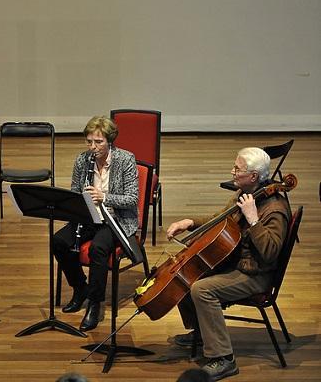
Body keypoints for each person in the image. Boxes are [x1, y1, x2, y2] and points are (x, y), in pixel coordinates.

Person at [167, 147, 291, 381]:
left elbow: (270, 253)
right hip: (238, 263)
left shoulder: (274, 209)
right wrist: (189, 222)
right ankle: (203, 332)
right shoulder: (244, 193)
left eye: (238, 169)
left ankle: (223, 359)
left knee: (202, 290)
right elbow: (219, 219)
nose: (232, 172)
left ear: (254, 176)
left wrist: (253, 219)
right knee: (186, 271)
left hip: (256, 274)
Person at [52, 116, 138, 332]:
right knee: (59, 242)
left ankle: (94, 302)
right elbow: (73, 192)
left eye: (98, 142)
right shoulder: (83, 160)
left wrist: (104, 197)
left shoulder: (125, 159)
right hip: (88, 216)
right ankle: (80, 288)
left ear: (110, 140)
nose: (93, 147)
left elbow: (132, 199)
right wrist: (80, 201)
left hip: (115, 218)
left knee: (99, 248)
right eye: (89, 141)